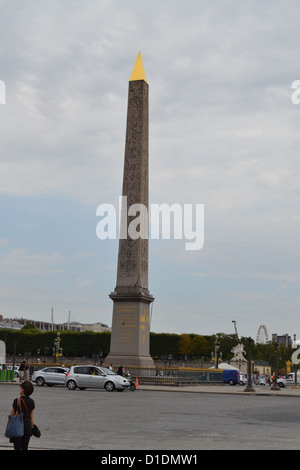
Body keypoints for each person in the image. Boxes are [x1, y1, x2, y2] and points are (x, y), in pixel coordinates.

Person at [8, 380, 35, 451]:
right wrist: (32, 427)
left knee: (17, 447)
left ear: (23, 390)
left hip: (18, 426)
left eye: (20, 388)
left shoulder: (17, 400)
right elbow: (31, 416)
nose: (20, 389)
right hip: (28, 426)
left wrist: (8, 425)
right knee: (25, 447)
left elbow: (11, 415)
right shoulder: (32, 402)